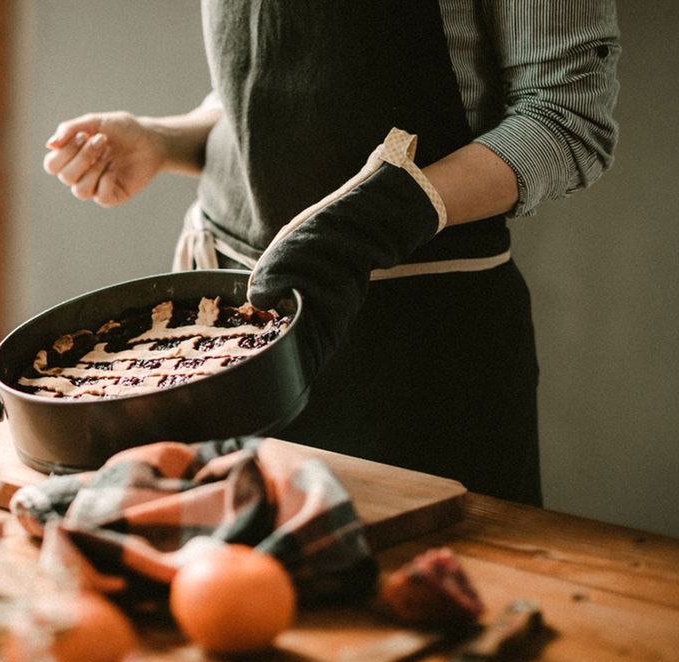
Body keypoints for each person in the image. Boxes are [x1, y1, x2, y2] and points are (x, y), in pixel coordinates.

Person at [41, 0, 620, 505]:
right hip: (211, 349)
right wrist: (165, 140)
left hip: (417, 348)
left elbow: (566, 118)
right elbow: (259, 86)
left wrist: (370, 225)